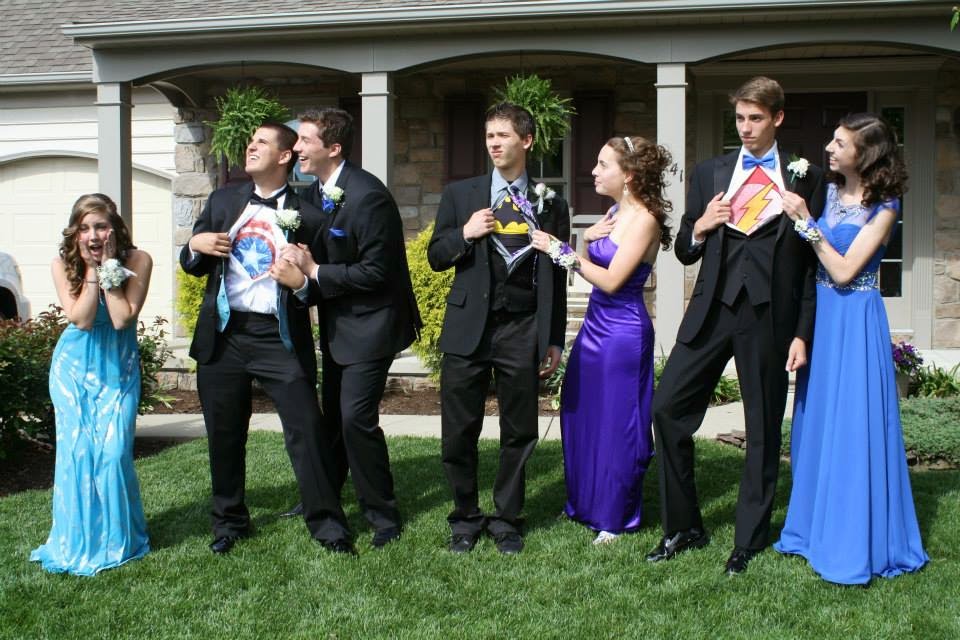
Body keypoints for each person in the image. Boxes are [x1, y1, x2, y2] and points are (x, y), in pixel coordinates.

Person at [648, 76, 825, 575]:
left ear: (777, 118)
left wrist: (802, 332)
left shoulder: (805, 177)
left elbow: (810, 267)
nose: (746, 128)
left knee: (762, 429)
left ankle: (748, 539)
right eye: (740, 118)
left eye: (756, 119)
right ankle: (684, 526)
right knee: (666, 408)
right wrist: (701, 226)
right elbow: (685, 249)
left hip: (771, 317)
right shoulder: (711, 173)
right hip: (712, 311)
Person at [180, 122, 354, 555]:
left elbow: (321, 286)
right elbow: (193, 264)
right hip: (224, 336)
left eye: (261, 142)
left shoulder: (310, 216)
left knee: (307, 431)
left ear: (284, 156)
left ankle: (328, 527)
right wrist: (195, 244)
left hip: (279, 338)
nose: (250, 146)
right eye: (250, 141)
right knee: (224, 435)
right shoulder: (222, 201)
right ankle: (229, 524)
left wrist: (301, 283)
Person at [774, 113, 929, 585]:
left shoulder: (885, 207)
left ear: (866, 153)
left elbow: (844, 271)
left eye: (840, 143)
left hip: (856, 318)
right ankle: (810, 529)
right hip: (821, 318)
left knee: (852, 423)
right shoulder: (827, 191)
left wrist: (805, 223)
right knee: (818, 421)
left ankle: (852, 537)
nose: (830, 148)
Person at [428, 102, 570, 554]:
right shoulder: (461, 194)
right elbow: (436, 256)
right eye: (489, 135)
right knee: (458, 429)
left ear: (526, 141)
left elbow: (557, 275)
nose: (493, 143)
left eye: (503, 135)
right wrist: (465, 233)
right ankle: (465, 517)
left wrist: (553, 336)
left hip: (523, 327)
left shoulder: (552, 204)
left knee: (520, 429)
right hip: (468, 326)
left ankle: (507, 518)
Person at [279, 108, 422, 548]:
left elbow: (378, 272)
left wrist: (315, 271)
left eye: (305, 140)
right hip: (338, 326)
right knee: (334, 421)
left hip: (374, 325)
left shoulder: (369, 196)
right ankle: (324, 497)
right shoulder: (315, 193)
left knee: (356, 419)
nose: (297, 148)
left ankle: (383, 515)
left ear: (334, 148)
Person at [531, 136, 672, 545]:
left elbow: (611, 281)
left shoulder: (645, 219)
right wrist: (588, 241)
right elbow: (591, 268)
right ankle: (584, 502)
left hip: (623, 334)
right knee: (583, 415)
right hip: (594, 328)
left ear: (627, 174)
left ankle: (614, 515)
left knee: (616, 424)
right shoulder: (613, 213)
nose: (593, 171)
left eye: (602, 164)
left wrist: (562, 250)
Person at [31, 193, 152, 575]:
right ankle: (78, 541)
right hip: (73, 369)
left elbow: (120, 318)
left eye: (100, 226)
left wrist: (111, 265)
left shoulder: (139, 260)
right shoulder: (62, 265)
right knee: (79, 455)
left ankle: (119, 539)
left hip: (117, 368)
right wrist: (92, 271)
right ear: (75, 233)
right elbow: (82, 319)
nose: (93, 235)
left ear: (114, 229)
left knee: (114, 453)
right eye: (84, 228)